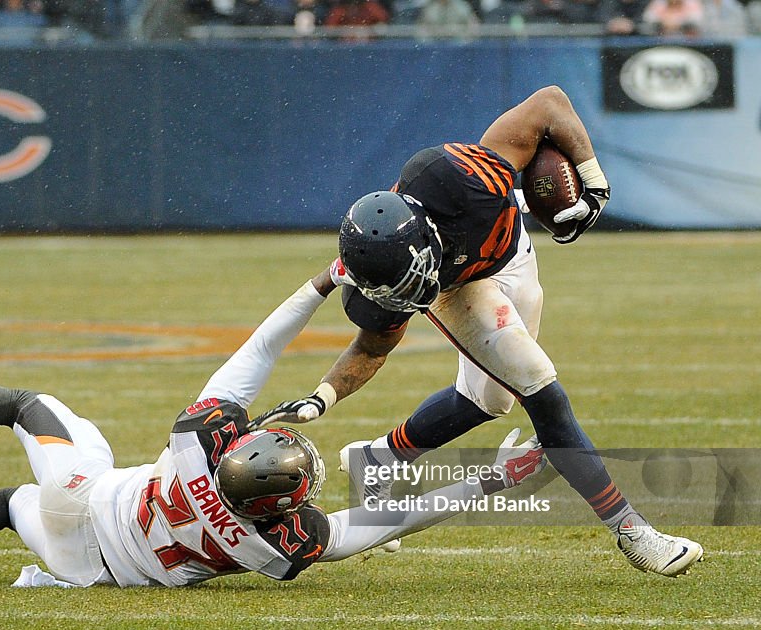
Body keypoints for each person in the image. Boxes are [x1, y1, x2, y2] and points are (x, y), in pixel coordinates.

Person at [0, 276, 545, 589]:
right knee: (12, 507)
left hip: (87, 503)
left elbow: (259, 349)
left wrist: (322, 283)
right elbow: (386, 521)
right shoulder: (275, 549)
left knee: (28, 406)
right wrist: (491, 480)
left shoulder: (201, 439)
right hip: (94, 571)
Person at [252, 86, 704, 578]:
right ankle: (632, 530)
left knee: (489, 400)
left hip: (512, 256)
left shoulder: (463, 180)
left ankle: (378, 458)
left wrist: (592, 183)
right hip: (462, 289)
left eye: (410, 281)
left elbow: (549, 102)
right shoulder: (379, 279)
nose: (409, 298)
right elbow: (372, 347)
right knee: (540, 389)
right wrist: (322, 398)